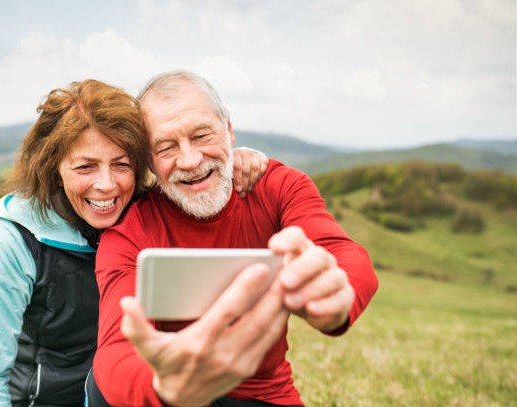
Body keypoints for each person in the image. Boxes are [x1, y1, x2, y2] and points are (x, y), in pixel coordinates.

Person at [0, 78, 269, 406]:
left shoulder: (145, 214)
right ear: (55, 170)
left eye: (121, 165)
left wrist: (235, 159)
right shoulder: (16, 236)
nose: (107, 185)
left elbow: (192, 171)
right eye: (86, 167)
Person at [90, 71, 379, 407]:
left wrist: (336, 291)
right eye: (166, 147)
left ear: (228, 129)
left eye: (201, 136)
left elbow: (341, 252)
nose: (190, 160)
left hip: (261, 395)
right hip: (171, 391)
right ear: (150, 161)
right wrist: (164, 386)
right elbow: (115, 354)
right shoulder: (130, 232)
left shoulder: (278, 187)